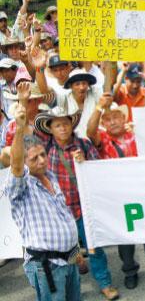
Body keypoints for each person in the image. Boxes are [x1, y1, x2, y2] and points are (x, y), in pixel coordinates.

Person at [86, 93, 145, 290]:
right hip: (118, 197)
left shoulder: (136, 134)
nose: (113, 121)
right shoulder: (102, 140)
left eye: (116, 116)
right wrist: (99, 108)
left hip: (144, 192)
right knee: (124, 236)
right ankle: (130, 270)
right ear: (103, 122)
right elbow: (90, 132)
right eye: (108, 118)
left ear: (124, 118)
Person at [33, 106, 119, 300]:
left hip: (83, 207)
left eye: (65, 123)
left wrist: (84, 163)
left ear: (72, 125)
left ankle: (105, 283)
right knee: (61, 250)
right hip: (58, 210)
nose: (62, 128)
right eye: (57, 125)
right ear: (50, 129)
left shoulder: (84, 144)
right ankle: (75, 273)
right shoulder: (45, 149)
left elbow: (98, 171)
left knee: (93, 247)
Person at [4, 100, 81, 301]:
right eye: (34, 158)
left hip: (69, 260)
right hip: (47, 266)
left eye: (42, 155)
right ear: (25, 163)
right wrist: (20, 129)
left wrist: (76, 252)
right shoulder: (20, 186)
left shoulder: (50, 176)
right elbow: (16, 165)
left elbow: (63, 215)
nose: (41, 161)